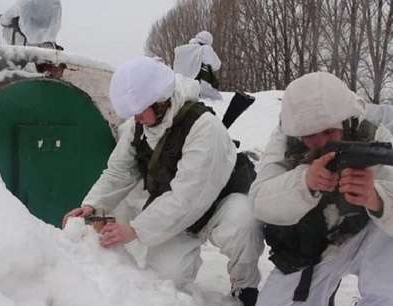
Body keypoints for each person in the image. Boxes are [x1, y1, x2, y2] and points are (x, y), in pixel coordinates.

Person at [63, 56, 263, 306]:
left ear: (160, 101)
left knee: (244, 223)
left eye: (138, 112)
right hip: (175, 212)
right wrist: (92, 205)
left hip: (218, 204)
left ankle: (245, 287)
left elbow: (188, 197)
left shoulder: (204, 128)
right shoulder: (140, 127)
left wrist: (135, 230)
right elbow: (118, 172)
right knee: (167, 275)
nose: (135, 119)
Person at [251, 72, 393, 306]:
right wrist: (304, 182)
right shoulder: (286, 139)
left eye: (328, 131)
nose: (321, 143)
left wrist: (376, 198)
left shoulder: (370, 134)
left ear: (345, 120)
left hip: (365, 235)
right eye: (310, 135)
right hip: (314, 246)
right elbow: (259, 201)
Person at [173, 31, 222, 100]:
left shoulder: (183, 49)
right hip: (196, 83)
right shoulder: (205, 49)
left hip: (179, 83)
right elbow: (216, 64)